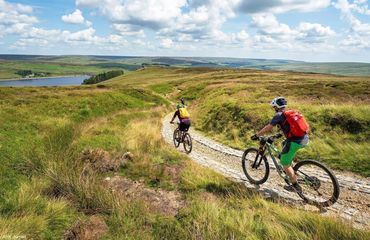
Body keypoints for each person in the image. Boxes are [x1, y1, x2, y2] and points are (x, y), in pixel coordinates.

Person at [251, 97, 309, 193]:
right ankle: (291, 167)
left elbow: (267, 128)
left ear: (276, 107)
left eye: (274, 107)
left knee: (284, 163)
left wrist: (256, 135)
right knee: (284, 144)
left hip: (295, 141)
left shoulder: (278, 115)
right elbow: (290, 127)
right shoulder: (290, 113)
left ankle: (295, 186)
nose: (274, 109)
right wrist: (280, 134)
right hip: (304, 138)